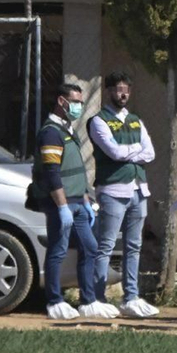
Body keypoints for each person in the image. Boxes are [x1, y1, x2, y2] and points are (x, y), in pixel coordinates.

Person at [31, 81, 115, 321]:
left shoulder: (67, 130)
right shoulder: (50, 132)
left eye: (80, 101)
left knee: (90, 248)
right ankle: (54, 300)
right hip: (62, 203)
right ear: (62, 101)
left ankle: (88, 301)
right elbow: (52, 172)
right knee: (58, 250)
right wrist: (62, 206)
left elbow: (75, 170)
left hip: (78, 201)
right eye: (76, 102)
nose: (79, 106)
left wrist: (86, 201)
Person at [87, 72, 159, 319]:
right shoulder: (98, 121)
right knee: (105, 245)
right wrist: (135, 150)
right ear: (109, 91)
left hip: (139, 189)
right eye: (118, 89)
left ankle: (131, 297)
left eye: (126, 89)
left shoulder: (136, 120)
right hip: (113, 191)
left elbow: (150, 152)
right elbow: (113, 152)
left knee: (134, 246)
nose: (123, 94)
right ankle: (97, 297)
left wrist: (132, 151)